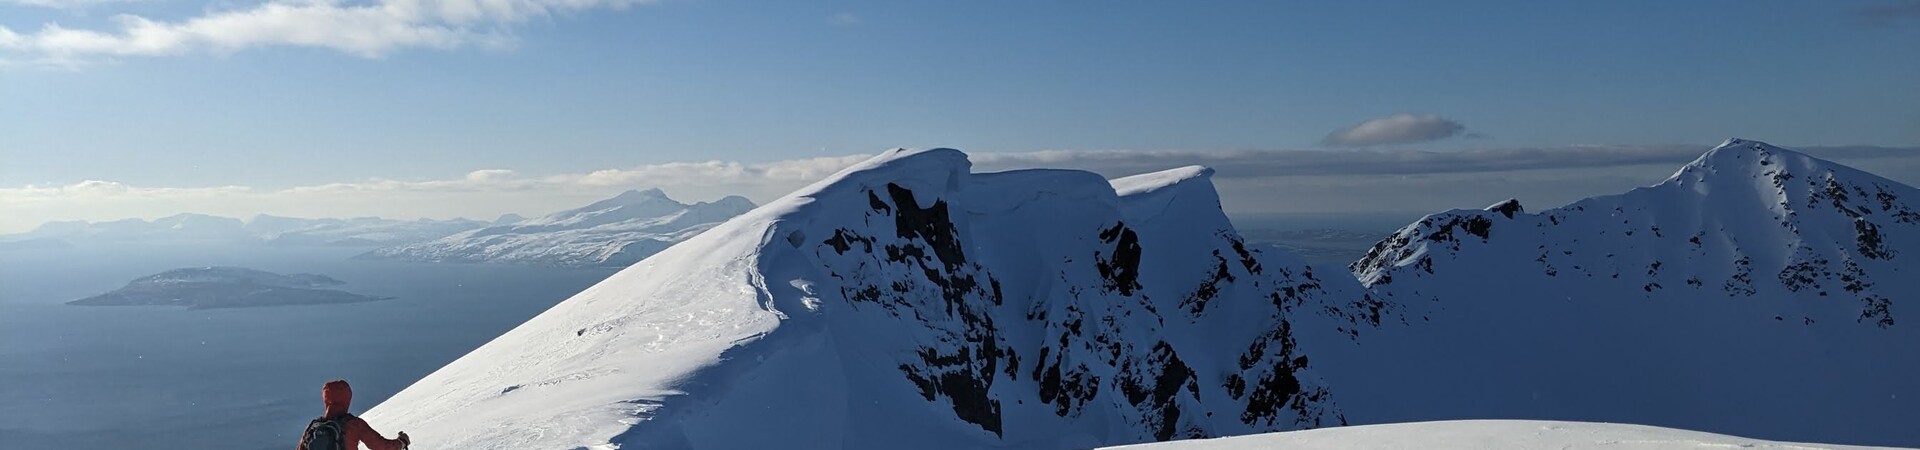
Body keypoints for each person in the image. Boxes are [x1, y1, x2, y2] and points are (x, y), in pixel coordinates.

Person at [296, 379, 411, 450]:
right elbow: (381, 446)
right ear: (347, 399)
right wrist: (401, 442)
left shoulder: (313, 426)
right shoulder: (354, 425)